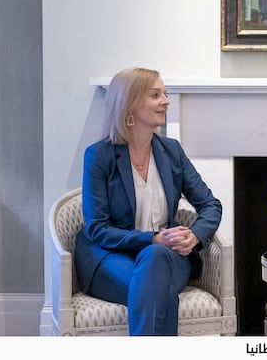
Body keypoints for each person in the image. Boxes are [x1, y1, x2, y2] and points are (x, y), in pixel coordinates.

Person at [74, 67, 222, 336]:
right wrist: (153, 239)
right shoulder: (99, 156)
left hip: (166, 257)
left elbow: (210, 205)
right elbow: (97, 229)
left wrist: (194, 236)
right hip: (111, 257)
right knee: (156, 291)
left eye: (164, 94)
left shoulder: (171, 151)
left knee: (155, 263)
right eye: (155, 95)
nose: (165, 100)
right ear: (129, 104)